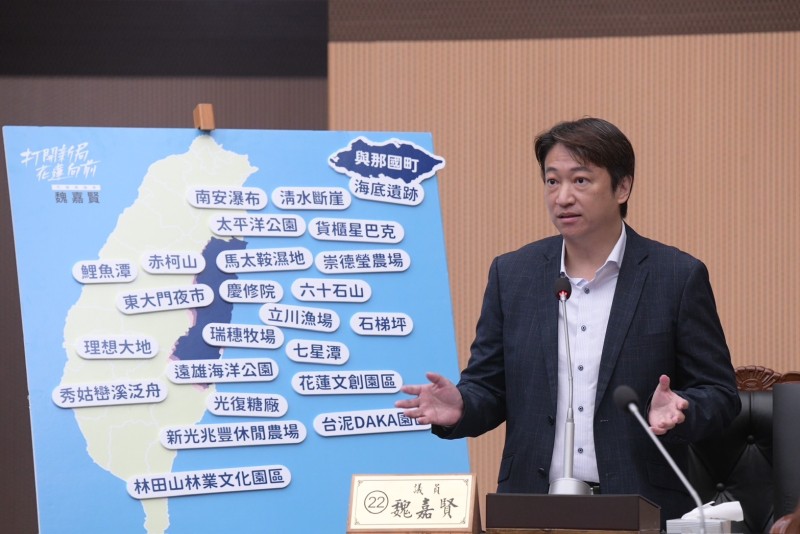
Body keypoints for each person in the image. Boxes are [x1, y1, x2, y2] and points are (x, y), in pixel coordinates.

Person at [396, 117, 741, 527]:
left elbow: (720, 394)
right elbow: (489, 386)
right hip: (532, 507)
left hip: (640, 506)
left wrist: (682, 409)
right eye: (552, 181)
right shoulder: (514, 274)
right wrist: (463, 405)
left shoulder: (675, 276)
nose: (562, 197)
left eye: (580, 181)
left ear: (622, 187)